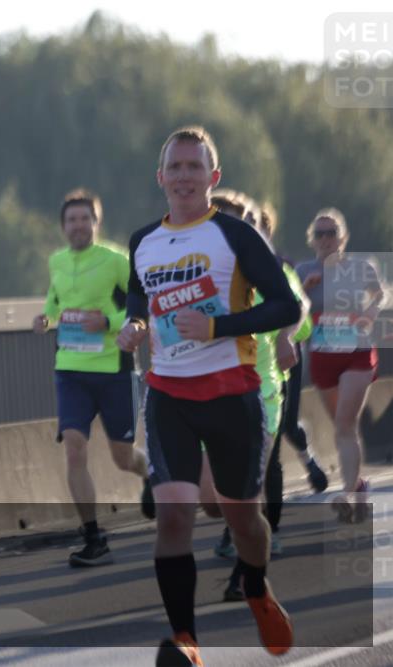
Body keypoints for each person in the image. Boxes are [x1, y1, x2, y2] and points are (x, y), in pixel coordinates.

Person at [117, 126, 300, 665]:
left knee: (241, 518)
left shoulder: (236, 236)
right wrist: (132, 327)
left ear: (212, 177)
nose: (184, 176)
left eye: (195, 167)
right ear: (161, 178)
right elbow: (137, 295)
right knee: (174, 514)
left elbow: (285, 307)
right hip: (169, 395)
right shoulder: (143, 241)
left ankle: (257, 587)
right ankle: (186, 641)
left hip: (232, 394)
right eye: (175, 166)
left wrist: (220, 328)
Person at [201, 191, 310, 603]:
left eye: (238, 223)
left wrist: (284, 335)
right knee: (213, 500)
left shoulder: (266, 269)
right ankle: (245, 546)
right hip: (204, 394)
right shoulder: (194, 272)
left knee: (245, 490)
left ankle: (247, 574)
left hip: (259, 393)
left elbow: (298, 307)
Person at [32, 188, 150, 567]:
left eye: (86, 219)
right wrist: (45, 318)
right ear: (63, 226)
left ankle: (152, 475)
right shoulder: (57, 261)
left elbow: (141, 306)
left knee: (121, 457)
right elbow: (54, 300)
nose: (78, 225)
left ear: (96, 223)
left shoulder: (116, 260)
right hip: (70, 371)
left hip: (113, 370)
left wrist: (109, 322)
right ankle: (93, 537)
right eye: (72, 220)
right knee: (74, 446)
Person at [296, 208, 386, 523]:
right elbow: (290, 313)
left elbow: (380, 295)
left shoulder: (362, 266)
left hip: (356, 353)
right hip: (322, 356)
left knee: (346, 424)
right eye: (319, 234)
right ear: (312, 240)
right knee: (342, 427)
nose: (325, 239)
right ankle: (359, 486)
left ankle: (347, 493)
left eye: (331, 233)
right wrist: (305, 289)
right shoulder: (303, 270)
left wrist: (371, 314)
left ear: (343, 238)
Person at [261, 202, 329, 496]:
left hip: (287, 353)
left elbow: (298, 306)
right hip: (250, 363)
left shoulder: (281, 265)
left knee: (287, 426)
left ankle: (308, 460)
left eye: (260, 227)